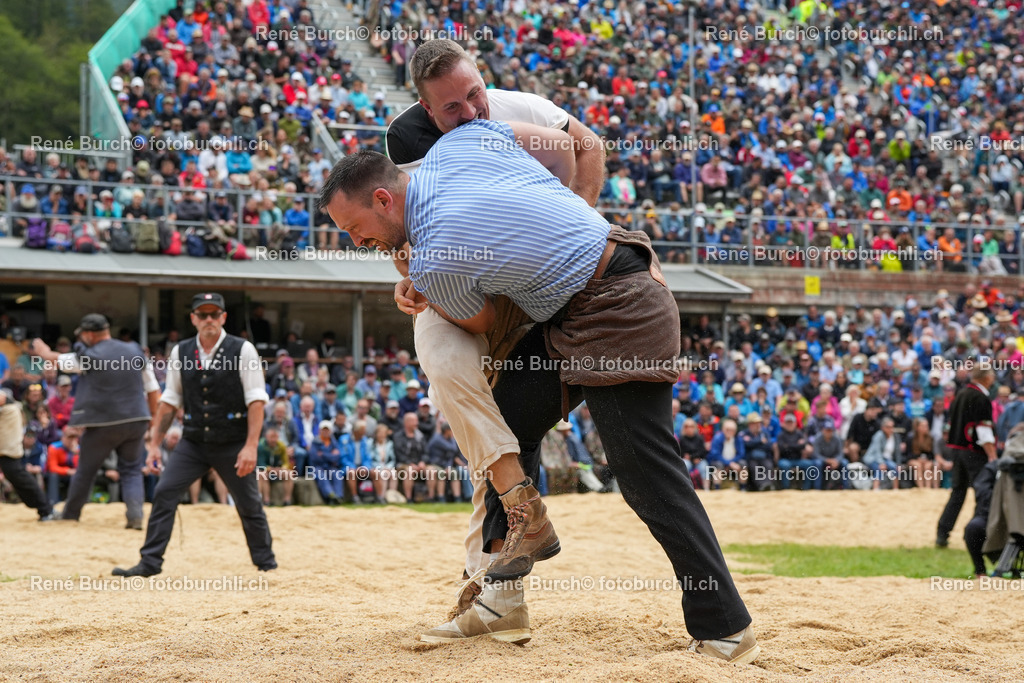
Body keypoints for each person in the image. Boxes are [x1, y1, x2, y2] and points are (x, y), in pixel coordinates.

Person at [319, 121, 756, 660]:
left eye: (354, 228)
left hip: (621, 311)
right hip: (580, 302)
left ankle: (726, 626)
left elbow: (479, 323)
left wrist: (413, 267)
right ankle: (502, 599)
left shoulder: (434, 252)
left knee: (645, 473)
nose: (354, 241)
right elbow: (571, 145)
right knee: (506, 426)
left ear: (384, 198)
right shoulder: (458, 146)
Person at [384, 38, 607, 592]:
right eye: (451, 109)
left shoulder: (521, 109)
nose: (470, 113)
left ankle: (491, 584)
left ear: (484, 80)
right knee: (451, 373)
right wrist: (409, 275)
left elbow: (589, 145)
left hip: (538, 276)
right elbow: (408, 226)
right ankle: (506, 541)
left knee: (507, 418)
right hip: (461, 283)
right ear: (427, 112)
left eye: (474, 95)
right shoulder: (405, 139)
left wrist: (573, 217)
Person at [113, 293, 276, 577]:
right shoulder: (181, 351)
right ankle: (150, 563)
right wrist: (154, 445)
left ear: (224, 317)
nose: (209, 319)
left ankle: (266, 563)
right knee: (164, 492)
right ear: (193, 319)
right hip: (194, 440)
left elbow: (256, 401)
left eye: (215, 314)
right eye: (203, 315)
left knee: (249, 502)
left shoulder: (244, 349)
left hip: (233, 441)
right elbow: (170, 400)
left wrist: (251, 447)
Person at [31, 314, 160, 528]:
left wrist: (41, 348)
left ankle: (71, 515)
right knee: (131, 470)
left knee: (86, 470)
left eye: (82, 334)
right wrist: (153, 419)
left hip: (103, 422)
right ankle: (135, 516)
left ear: (89, 334)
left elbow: (52, 358)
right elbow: (153, 388)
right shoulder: (134, 351)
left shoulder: (88, 356)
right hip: (137, 419)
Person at [936, 362, 998, 547]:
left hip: (957, 451)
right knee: (983, 492)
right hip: (974, 453)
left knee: (958, 493)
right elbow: (984, 431)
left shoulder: (960, 394)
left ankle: (942, 533)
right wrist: (992, 456)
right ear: (987, 378)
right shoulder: (980, 397)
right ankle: (977, 534)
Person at [0, 387, 55, 520]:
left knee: (16, 473)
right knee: (15, 473)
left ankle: (46, 509)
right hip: (7, 427)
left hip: (8, 429)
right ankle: (45, 508)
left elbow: (2, 398)